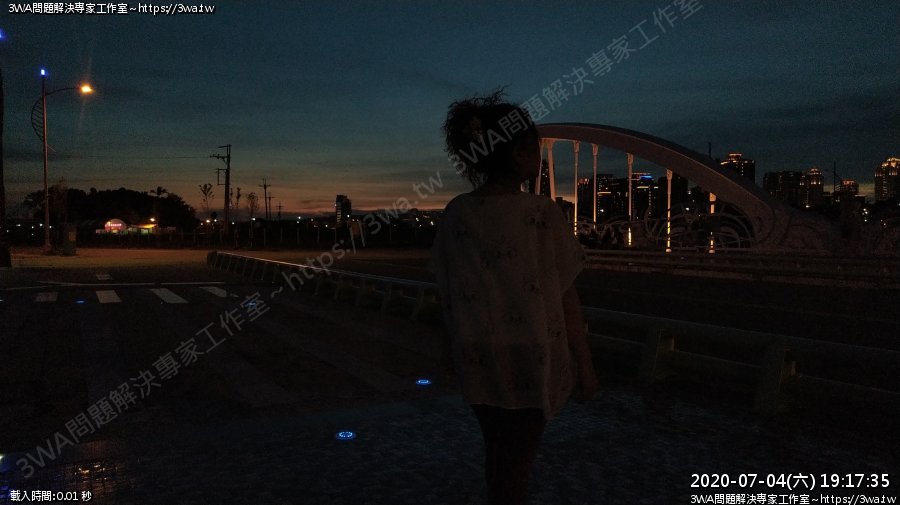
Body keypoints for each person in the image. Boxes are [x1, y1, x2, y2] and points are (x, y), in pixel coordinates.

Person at [429, 90, 599, 505]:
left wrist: (448, 350)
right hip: (530, 351)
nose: (539, 158)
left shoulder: (456, 213)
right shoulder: (540, 213)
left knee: (496, 449)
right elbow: (565, 295)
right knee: (521, 457)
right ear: (520, 153)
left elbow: (447, 291)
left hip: (476, 352)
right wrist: (586, 364)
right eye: (535, 149)